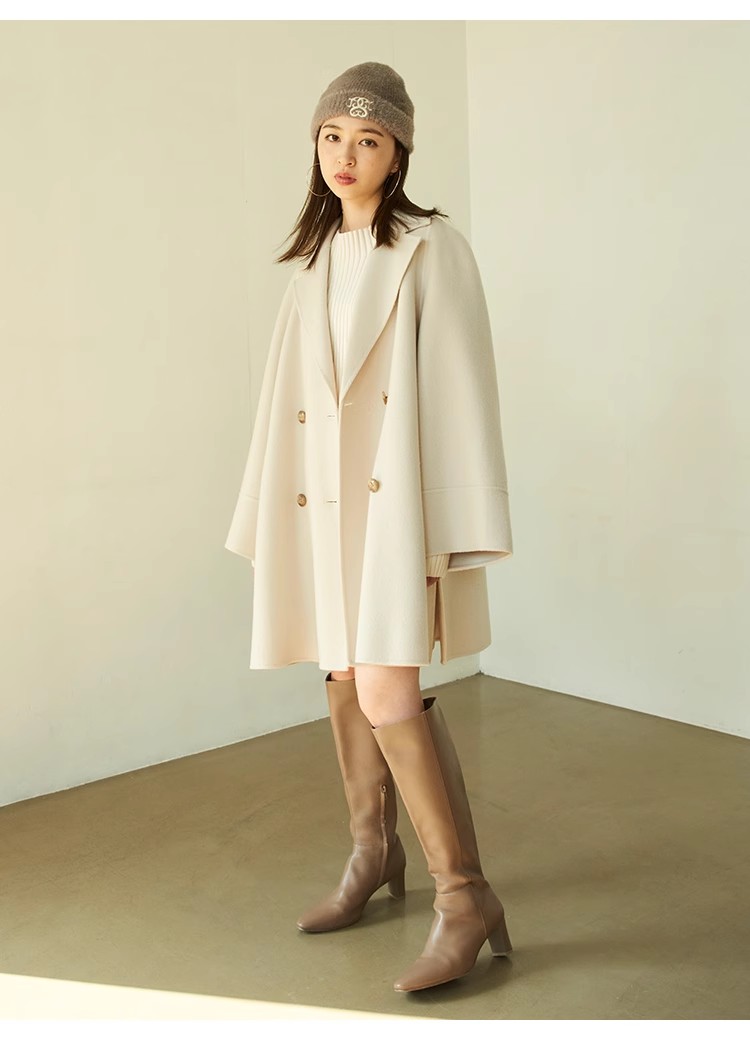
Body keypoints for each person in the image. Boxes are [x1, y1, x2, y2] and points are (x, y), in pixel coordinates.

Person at [224, 61, 514, 992]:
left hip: (395, 510)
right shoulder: (309, 265)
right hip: (324, 509)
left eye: (368, 140)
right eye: (331, 137)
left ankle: (463, 898)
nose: (345, 155)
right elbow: (285, 405)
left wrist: (449, 532)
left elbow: (462, 394)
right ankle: (372, 853)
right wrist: (268, 514)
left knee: (390, 691)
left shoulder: (432, 248)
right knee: (346, 678)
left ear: (398, 154)